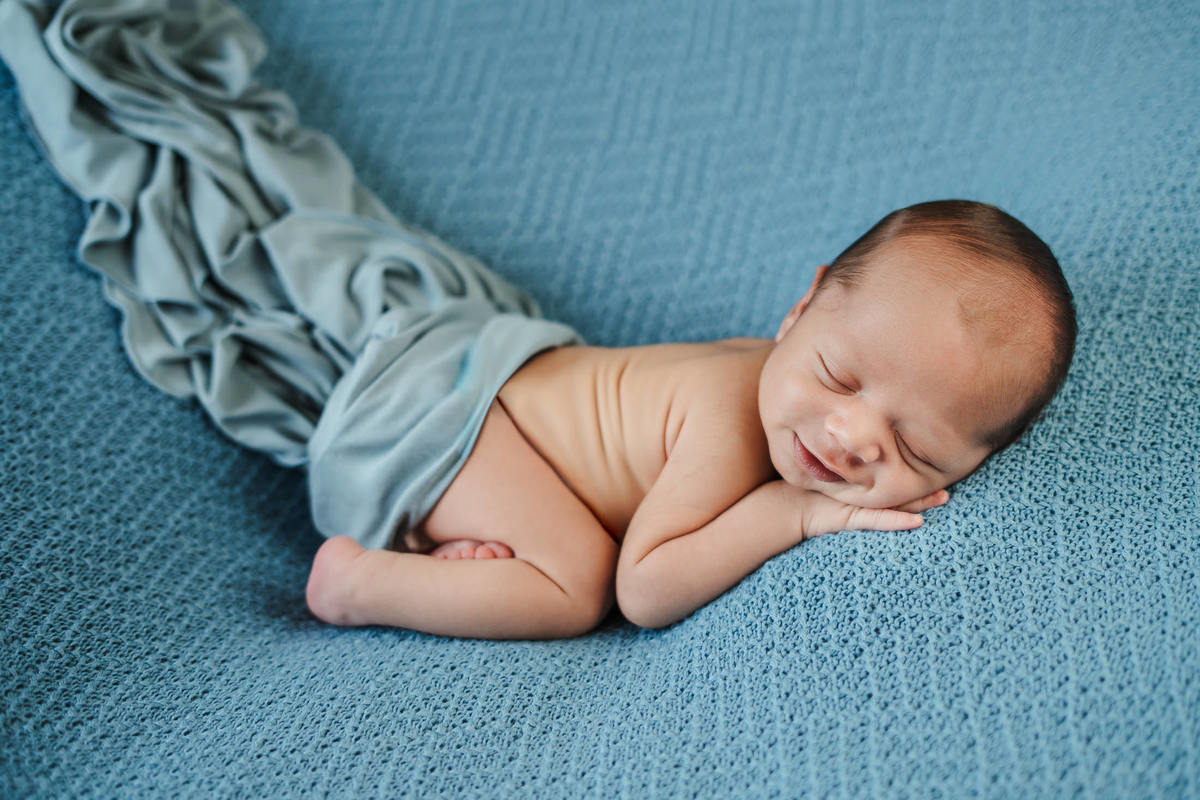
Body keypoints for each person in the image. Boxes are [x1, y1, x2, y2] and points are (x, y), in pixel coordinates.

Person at [305, 199, 1078, 638]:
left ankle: (465, 544)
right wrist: (793, 515)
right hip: (453, 417)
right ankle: (358, 583)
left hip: (484, 402)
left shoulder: (786, 384)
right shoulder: (728, 417)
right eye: (838, 376)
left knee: (564, 533)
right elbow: (645, 588)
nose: (848, 440)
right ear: (800, 308)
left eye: (913, 446)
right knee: (576, 585)